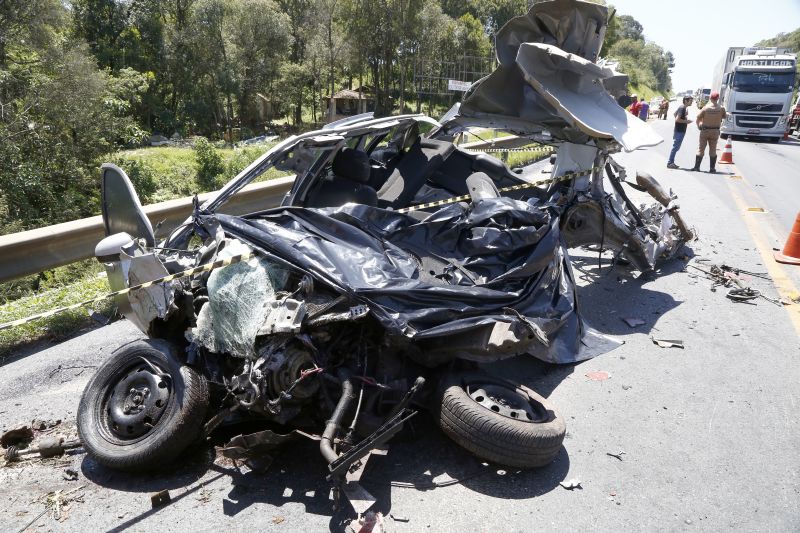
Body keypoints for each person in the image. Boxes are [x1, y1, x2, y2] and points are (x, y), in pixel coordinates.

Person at [691, 91, 727, 173]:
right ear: (718, 98)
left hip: (705, 130)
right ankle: (712, 168)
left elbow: (698, 118)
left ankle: (697, 167)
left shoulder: (706, 108)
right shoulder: (721, 108)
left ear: (710, 98)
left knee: (701, 149)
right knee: (713, 150)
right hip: (715, 131)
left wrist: (699, 126)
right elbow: (724, 117)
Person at [667, 96, 694, 168]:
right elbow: (677, 119)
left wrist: (684, 116)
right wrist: (686, 121)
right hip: (679, 131)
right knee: (675, 147)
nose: (692, 102)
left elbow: (675, 114)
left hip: (679, 130)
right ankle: (670, 163)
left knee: (676, 147)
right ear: (686, 101)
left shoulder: (683, 108)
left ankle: (671, 162)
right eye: (690, 101)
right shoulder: (682, 108)